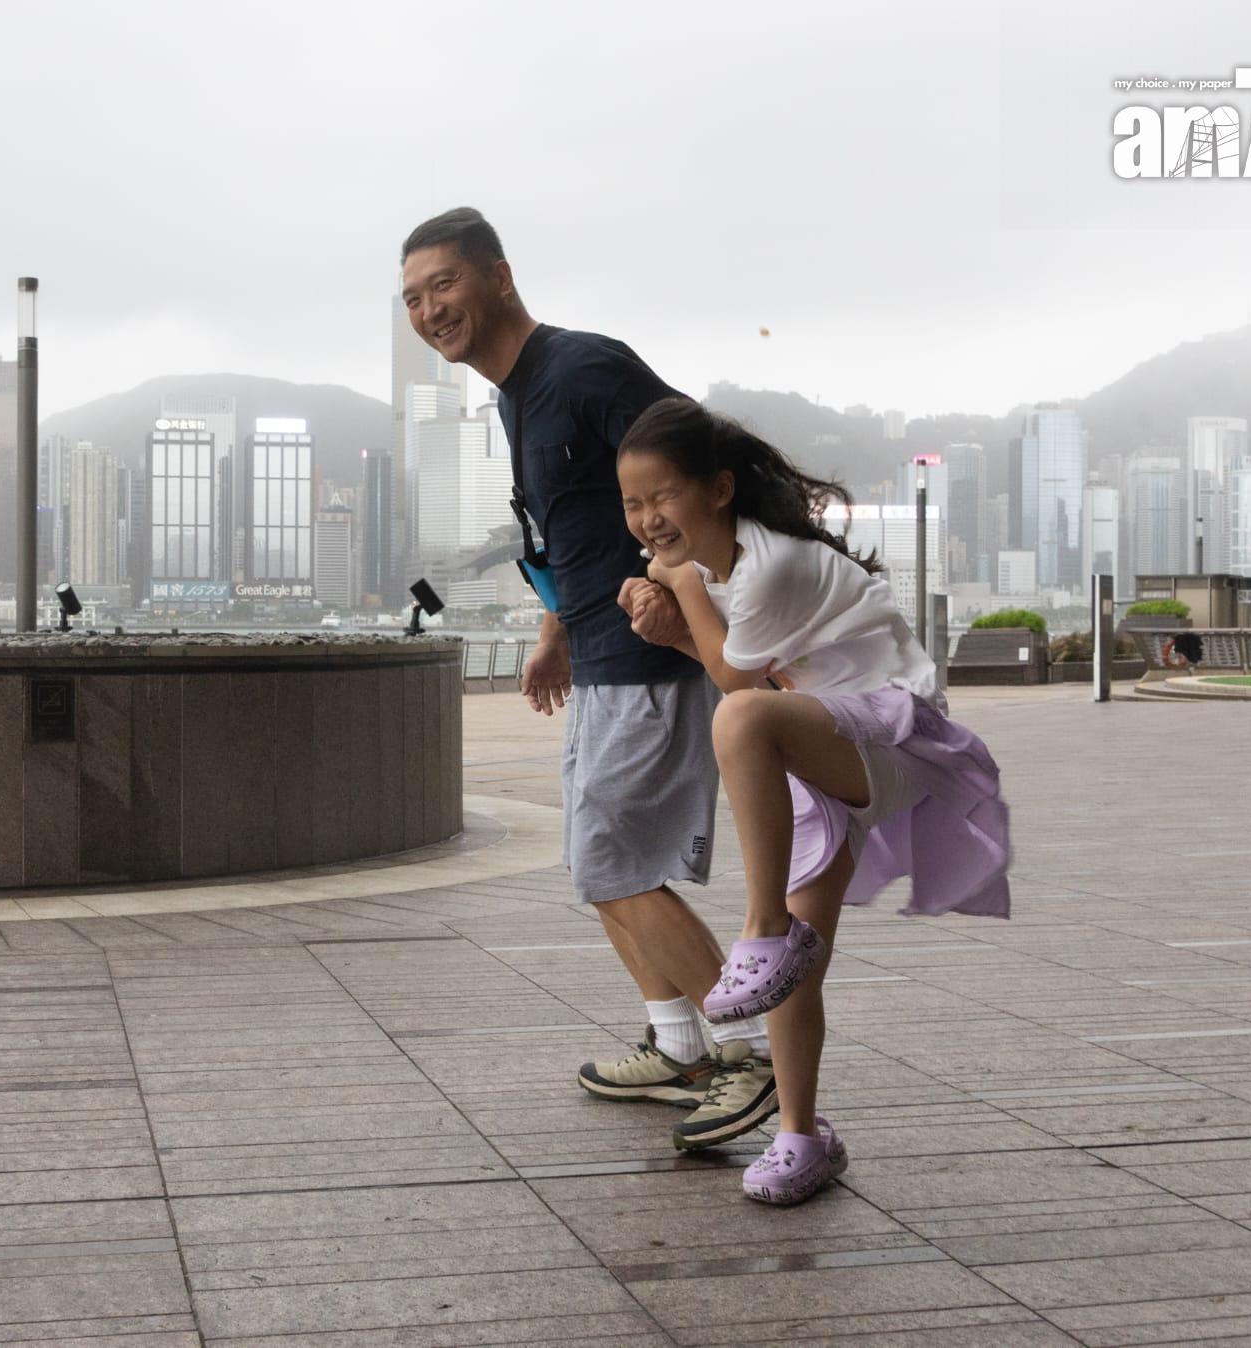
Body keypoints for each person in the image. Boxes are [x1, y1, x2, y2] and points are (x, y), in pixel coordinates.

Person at [399, 207, 778, 1151]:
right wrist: (554, 627)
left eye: (443, 283)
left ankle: (748, 1056)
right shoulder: (517, 395)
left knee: (616, 863)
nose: (429, 308)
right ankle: (678, 1044)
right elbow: (580, 528)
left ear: (498, 276)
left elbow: (697, 465)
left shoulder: (584, 368)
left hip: (648, 654)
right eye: (411, 297)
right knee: (599, 861)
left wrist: (681, 588)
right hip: (601, 651)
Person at [617, 397, 1012, 1204]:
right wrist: (674, 625)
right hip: (819, 746)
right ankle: (801, 1136)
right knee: (803, 961)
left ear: (720, 488)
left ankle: (761, 930)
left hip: (893, 739)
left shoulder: (771, 564)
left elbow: (737, 682)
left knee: (740, 715)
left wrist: (678, 587)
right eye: (633, 503)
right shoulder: (726, 571)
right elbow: (743, 665)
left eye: (663, 496)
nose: (649, 518)